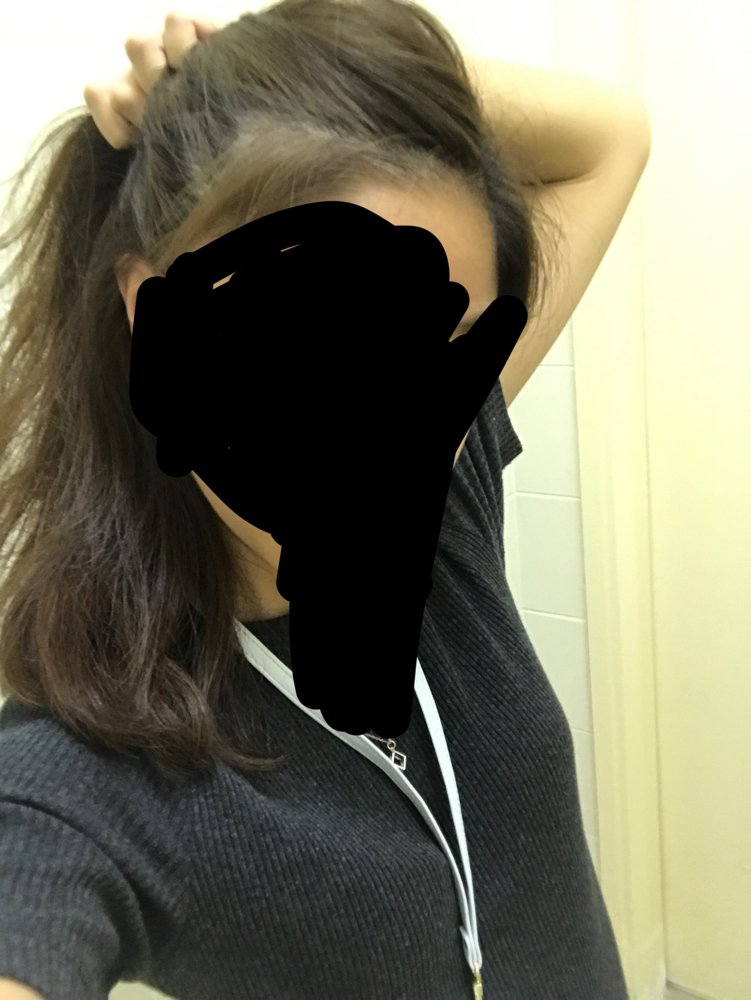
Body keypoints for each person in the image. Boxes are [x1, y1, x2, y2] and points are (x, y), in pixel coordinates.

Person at [0, 4, 639, 998]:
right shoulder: (83, 769)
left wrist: (269, 69)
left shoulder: (442, 489)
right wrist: (264, 88)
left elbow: (608, 137)